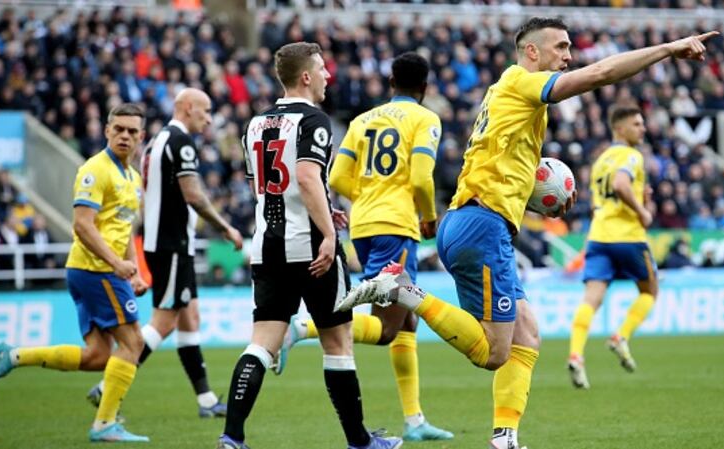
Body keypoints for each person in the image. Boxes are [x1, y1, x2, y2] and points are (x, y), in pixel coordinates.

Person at [337, 17, 717, 449]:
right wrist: (667, 48)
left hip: (472, 222)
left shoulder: (507, 93)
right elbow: (600, 74)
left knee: (527, 331)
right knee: (492, 353)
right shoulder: (521, 81)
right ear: (532, 51)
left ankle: (505, 437)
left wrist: (541, 192)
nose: (569, 56)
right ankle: (404, 290)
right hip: (482, 225)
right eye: (561, 46)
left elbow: (505, 159)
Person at [216, 42, 401, 449]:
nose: (327, 76)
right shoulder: (314, 120)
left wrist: (323, 209)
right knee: (338, 343)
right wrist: (330, 233)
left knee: (262, 342)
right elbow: (304, 176)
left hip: (267, 246)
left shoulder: (255, 124)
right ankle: (360, 441)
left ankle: (231, 437)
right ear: (305, 77)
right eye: (321, 69)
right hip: (313, 249)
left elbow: (261, 187)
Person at [275, 52, 453, 442]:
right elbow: (423, 178)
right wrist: (428, 217)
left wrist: (371, 195)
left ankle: (414, 418)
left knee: (407, 319)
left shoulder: (361, 120)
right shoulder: (426, 119)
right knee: (389, 327)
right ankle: (303, 327)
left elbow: (337, 178)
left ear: (390, 83)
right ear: (424, 88)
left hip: (365, 225)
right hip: (397, 224)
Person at [0, 104, 150, 442]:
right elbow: (82, 226)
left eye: (132, 131)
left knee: (98, 356)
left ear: (141, 137)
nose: (124, 135)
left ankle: (11, 356)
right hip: (95, 270)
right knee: (133, 342)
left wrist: (132, 271)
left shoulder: (133, 179)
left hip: (95, 271)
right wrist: (117, 266)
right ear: (106, 131)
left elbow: (122, 228)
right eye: (118, 128)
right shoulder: (95, 170)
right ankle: (105, 425)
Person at [85, 88, 244, 418]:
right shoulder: (180, 141)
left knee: (190, 317)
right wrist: (225, 228)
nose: (209, 118)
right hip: (171, 245)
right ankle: (106, 388)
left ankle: (206, 401)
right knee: (164, 321)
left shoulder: (158, 141)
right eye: (205, 110)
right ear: (187, 108)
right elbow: (193, 195)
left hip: (166, 243)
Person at [567, 105, 658, 390]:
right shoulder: (631, 156)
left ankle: (576, 354)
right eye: (637, 124)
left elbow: (602, 201)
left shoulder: (600, 160)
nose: (643, 129)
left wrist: (643, 199)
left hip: (599, 236)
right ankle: (621, 336)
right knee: (650, 291)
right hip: (628, 236)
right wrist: (642, 212)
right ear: (620, 128)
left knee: (591, 298)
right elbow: (620, 185)